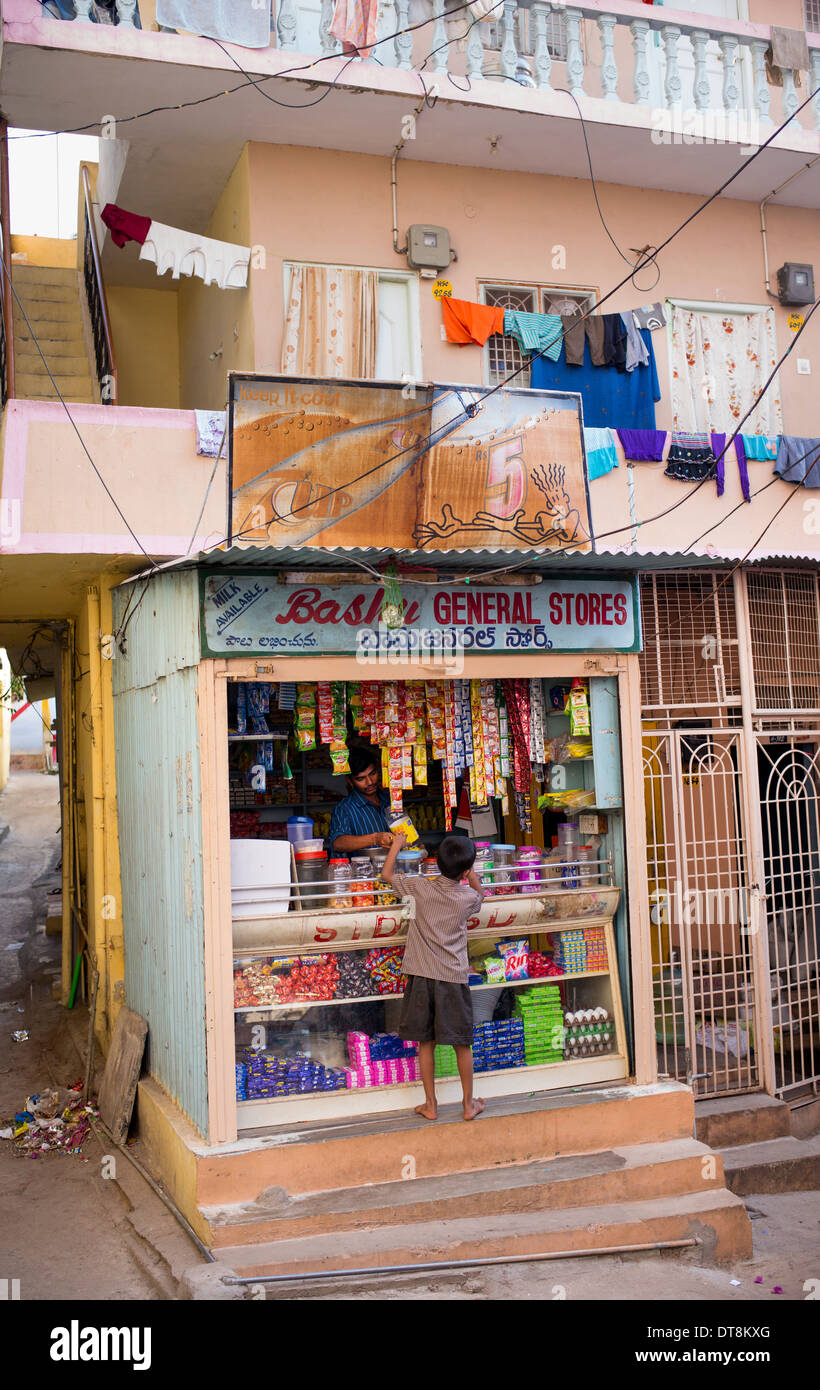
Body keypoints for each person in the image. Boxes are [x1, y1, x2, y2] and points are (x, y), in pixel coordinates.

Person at [382, 832, 485, 1122]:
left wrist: (398, 846)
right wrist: (471, 873)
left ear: (435, 863)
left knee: (425, 1042)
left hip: (421, 975)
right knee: (461, 1043)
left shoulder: (418, 887)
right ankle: (468, 1105)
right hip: (452, 977)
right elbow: (481, 895)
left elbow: (386, 874)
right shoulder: (466, 898)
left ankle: (431, 1104)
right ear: (465, 870)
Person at [326, 746, 393, 855]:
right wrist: (375, 839)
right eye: (361, 779)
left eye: (372, 774)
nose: (370, 782)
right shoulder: (344, 809)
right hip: (365, 870)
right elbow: (337, 843)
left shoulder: (389, 799)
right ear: (350, 780)